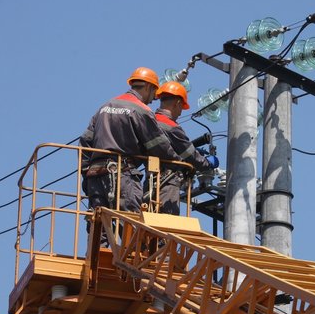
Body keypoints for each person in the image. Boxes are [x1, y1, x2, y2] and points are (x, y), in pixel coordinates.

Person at [80, 67, 179, 213]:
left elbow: (85, 141)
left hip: (95, 177)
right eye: (154, 94)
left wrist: (86, 173)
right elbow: (158, 145)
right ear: (148, 87)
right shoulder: (141, 110)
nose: (153, 101)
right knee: (131, 227)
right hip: (122, 177)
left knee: (99, 228)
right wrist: (178, 163)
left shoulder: (106, 106)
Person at [152, 81, 219, 215]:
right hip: (167, 183)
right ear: (177, 103)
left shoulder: (151, 121)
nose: (181, 112)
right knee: (167, 226)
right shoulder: (170, 126)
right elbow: (190, 154)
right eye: (181, 107)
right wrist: (207, 163)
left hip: (151, 182)